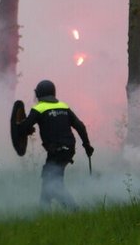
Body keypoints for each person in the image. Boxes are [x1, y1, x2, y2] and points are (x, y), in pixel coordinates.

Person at [17, 80, 94, 210]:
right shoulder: (63, 106)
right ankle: (44, 212)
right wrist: (87, 145)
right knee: (49, 181)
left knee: (52, 184)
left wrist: (24, 128)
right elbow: (80, 126)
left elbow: (23, 127)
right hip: (69, 149)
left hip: (56, 151)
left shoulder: (38, 108)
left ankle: (74, 209)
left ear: (39, 93)